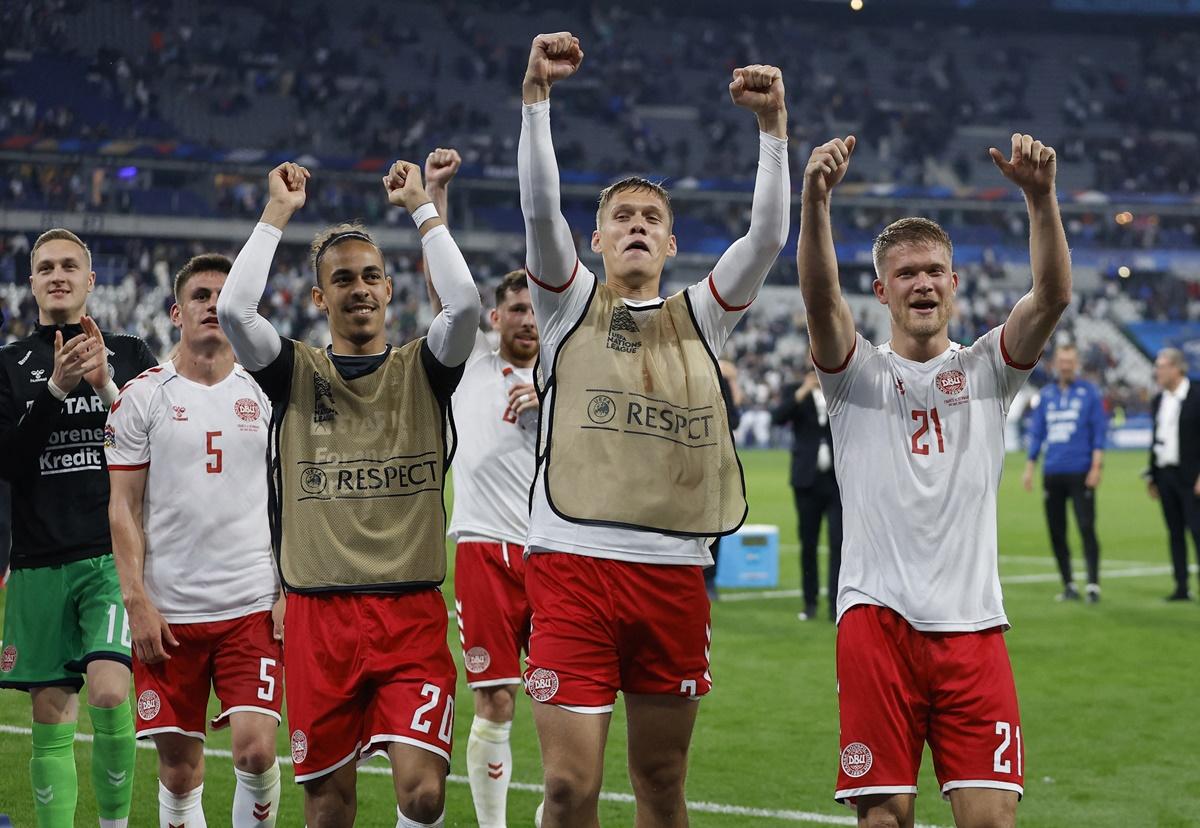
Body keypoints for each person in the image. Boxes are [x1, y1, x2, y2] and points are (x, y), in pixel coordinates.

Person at [518, 32, 789, 827]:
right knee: (568, 788)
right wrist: (537, 101)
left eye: (651, 218)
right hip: (572, 565)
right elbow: (540, 206)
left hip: (673, 572)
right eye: (620, 218)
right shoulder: (565, 305)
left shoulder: (702, 318)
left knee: (661, 783)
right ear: (594, 241)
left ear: (672, 244)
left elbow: (767, 236)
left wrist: (773, 129)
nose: (636, 226)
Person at [798, 131, 1070, 827]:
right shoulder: (855, 375)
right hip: (875, 623)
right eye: (908, 272)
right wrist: (816, 202)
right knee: (884, 819)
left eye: (935, 270)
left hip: (972, 629)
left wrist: (1041, 198)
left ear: (954, 283)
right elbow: (822, 298)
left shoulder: (988, 368)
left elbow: (1051, 296)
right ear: (881, 288)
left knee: (991, 820)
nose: (922, 282)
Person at [216, 159, 480, 828]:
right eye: (341, 280)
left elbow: (468, 305)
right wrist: (278, 212)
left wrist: (424, 209)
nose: (358, 288)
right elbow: (232, 309)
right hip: (318, 620)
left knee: (422, 794)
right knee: (328, 804)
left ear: (390, 290)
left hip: (409, 613)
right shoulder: (294, 372)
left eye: (369, 277)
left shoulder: (425, 366)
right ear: (318, 299)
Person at [106, 254, 285, 827]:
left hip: (250, 606)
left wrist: (289, 589)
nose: (213, 304)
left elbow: (293, 504)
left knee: (256, 752)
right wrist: (135, 600)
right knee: (180, 772)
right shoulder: (141, 397)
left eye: (223, 295)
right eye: (201, 295)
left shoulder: (270, 395)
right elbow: (123, 507)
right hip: (169, 612)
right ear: (176, 311)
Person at [0, 229, 157, 828]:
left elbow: (156, 445)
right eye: (46, 267)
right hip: (38, 560)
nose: (58, 274)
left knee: (113, 692)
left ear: (92, 281)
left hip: (110, 557)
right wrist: (57, 389)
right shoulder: (8, 366)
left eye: (70, 266)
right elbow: (8, 462)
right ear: (33, 282)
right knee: (50, 714)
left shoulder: (132, 352)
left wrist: (106, 389)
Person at [422, 146, 541, 827]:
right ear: (495, 318)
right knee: (495, 699)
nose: (527, 318)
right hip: (486, 552)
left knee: (560, 700)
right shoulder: (471, 362)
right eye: (515, 308)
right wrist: (435, 195)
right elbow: (446, 288)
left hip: (558, 554)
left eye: (533, 308)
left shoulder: (566, 371)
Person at [1022, 343, 1107, 603]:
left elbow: (1099, 433)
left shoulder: (1089, 393)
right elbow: (1037, 433)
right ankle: (1068, 584)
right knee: (1057, 531)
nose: (1066, 365)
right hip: (1053, 471)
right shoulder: (1046, 396)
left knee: (1086, 527)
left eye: (1070, 361)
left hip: (1081, 470)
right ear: (1055, 364)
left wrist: (1096, 467)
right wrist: (1029, 467)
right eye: (1062, 361)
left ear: (1076, 363)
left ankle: (1092, 584)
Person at [772, 363, 842, 621]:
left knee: (839, 543)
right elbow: (777, 417)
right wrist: (803, 391)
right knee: (808, 544)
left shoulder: (838, 389)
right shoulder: (795, 391)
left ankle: (836, 604)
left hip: (836, 480)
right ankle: (809, 603)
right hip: (807, 479)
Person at [1146, 347, 1200, 601]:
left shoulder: (1197, 395)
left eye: (1161, 366)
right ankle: (1181, 587)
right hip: (1166, 476)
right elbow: (1157, 438)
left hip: (1191, 477)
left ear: (1177, 368)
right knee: (1175, 533)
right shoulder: (1159, 400)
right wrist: (1153, 475)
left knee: (1197, 532)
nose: (1157, 371)